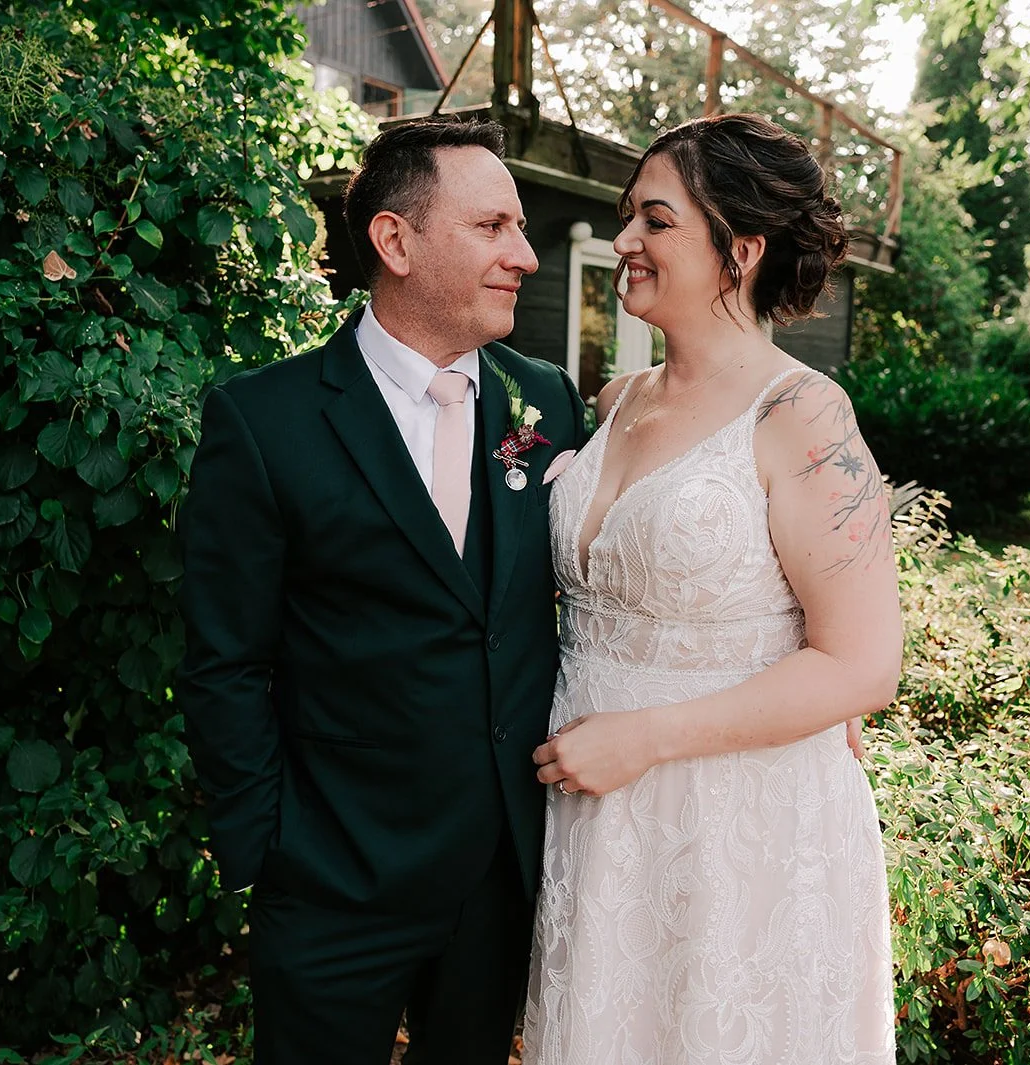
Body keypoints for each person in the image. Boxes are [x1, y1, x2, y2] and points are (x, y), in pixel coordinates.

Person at [176, 119, 586, 1065]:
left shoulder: (546, 401)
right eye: (493, 227)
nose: (523, 255)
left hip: (500, 876)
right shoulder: (264, 419)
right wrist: (271, 851)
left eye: (519, 229)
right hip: (334, 879)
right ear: (395, 242)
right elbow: (225, 661)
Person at [522, 112, 900, 1064]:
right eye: (626, 218)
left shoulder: (804, 414)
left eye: (655, 220)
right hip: (599, 819)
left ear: (739, 249)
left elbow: (862, 664)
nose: (624, 242)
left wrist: (641, 737)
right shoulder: (615, 400)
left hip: (739, 821)